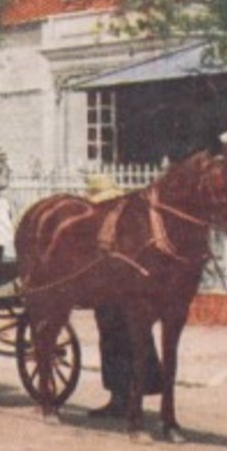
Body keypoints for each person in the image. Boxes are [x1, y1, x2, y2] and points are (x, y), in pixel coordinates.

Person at [82, 174, 163, 417]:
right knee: (127, 341)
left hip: (115, 291)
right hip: (122, 290)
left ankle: (123, 398)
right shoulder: (125, 216)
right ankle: (125, 397)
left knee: (117, 341)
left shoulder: (106, 221)